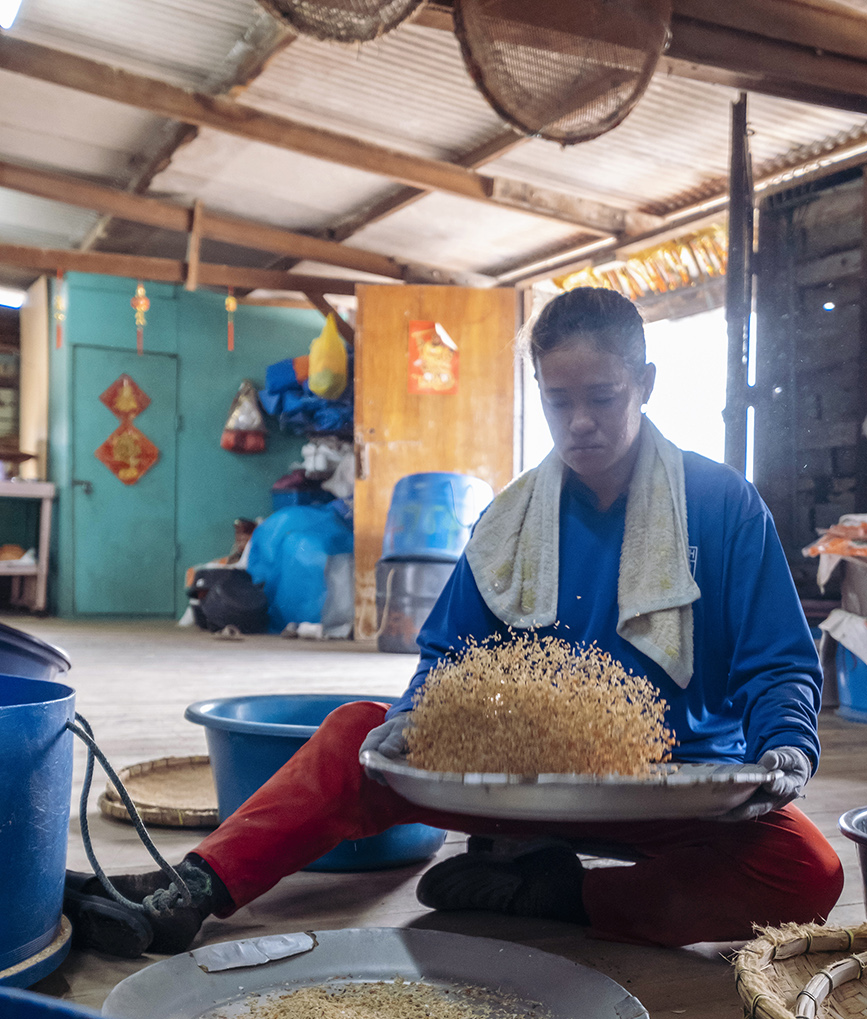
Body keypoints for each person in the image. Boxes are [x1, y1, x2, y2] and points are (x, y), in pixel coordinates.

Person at [66, 288, 843, 958]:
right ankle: (190, 891)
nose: (577, 424)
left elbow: (778, 663)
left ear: (643, 382)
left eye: (600, 398)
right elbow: (449, 655)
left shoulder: (721, 506)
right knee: (351, 738)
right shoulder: (510, 521)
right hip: (523, 786)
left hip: (674, 791)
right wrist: (409, 720)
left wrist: (784, 746)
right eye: (555, 401)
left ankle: (553, 897)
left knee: (808, 873)